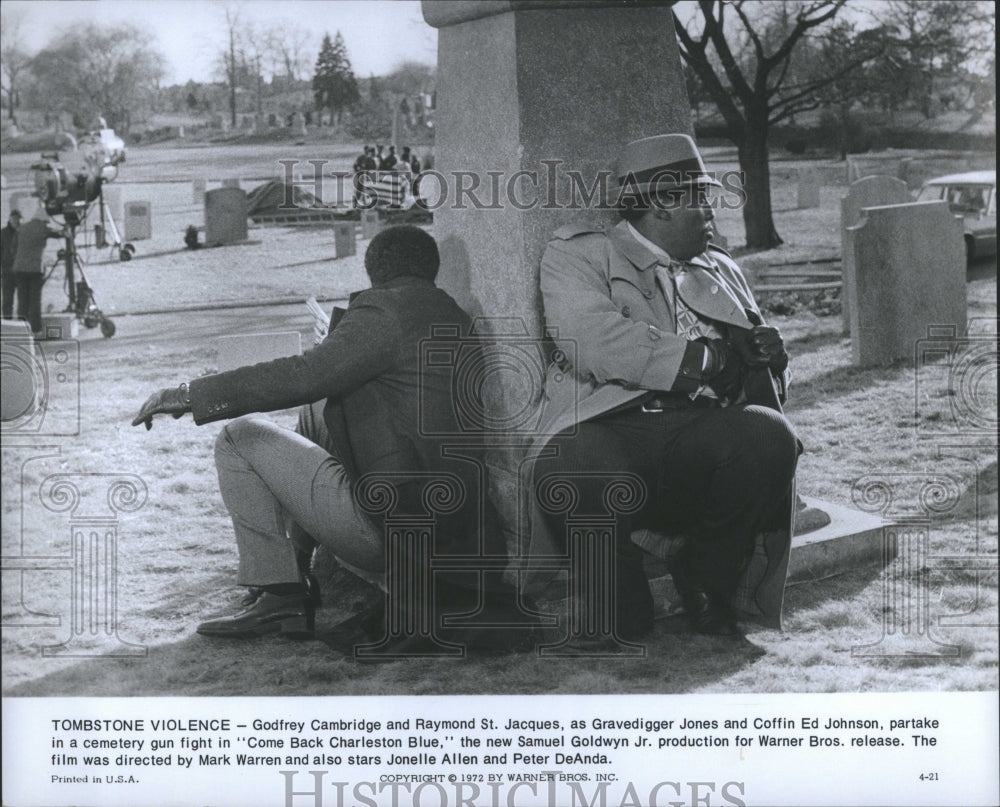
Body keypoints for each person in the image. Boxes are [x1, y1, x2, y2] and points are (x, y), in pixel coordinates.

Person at [132, 226, 504, 641]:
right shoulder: (450, 313)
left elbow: (302, 375)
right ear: (431, 269)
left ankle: (281, 593)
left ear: (373, 270)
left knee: (240, 437)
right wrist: (337, 343)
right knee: (314, 410)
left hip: (393, 527)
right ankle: (295, 566)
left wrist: (188, 394)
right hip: (449, 520)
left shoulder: (385, 309)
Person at [527, 133, 799, 640]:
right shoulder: (580, 256)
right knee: (573, 462)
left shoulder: (720, 267)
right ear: (662, 204)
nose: (711, 214)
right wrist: (706, 358)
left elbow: (761, 375)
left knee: (768, 435)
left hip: (700, 432)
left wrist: (772, 360)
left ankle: (705, 578)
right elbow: (594, 339)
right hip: (611, 423)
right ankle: (618, 602)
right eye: (700, 198)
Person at [13, 202, 62, 337]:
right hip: (34, 269)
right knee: (35, 299)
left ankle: (21, 328)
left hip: (19, 268)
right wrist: (67, 231)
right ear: (44, 219)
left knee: (22, 299)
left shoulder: (22, 228)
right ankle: (35, 329)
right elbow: (59, 234)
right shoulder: (43, 228)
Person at [1, 209, 21, 319]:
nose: (17, 220)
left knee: (23, 299)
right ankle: (7, 322)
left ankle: (23, 321)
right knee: (7, 300)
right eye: (15, 218)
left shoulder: (22, 231)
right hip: (7, 271)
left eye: (18, 218)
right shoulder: (3, 233)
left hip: (20, 271)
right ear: (10, 219)